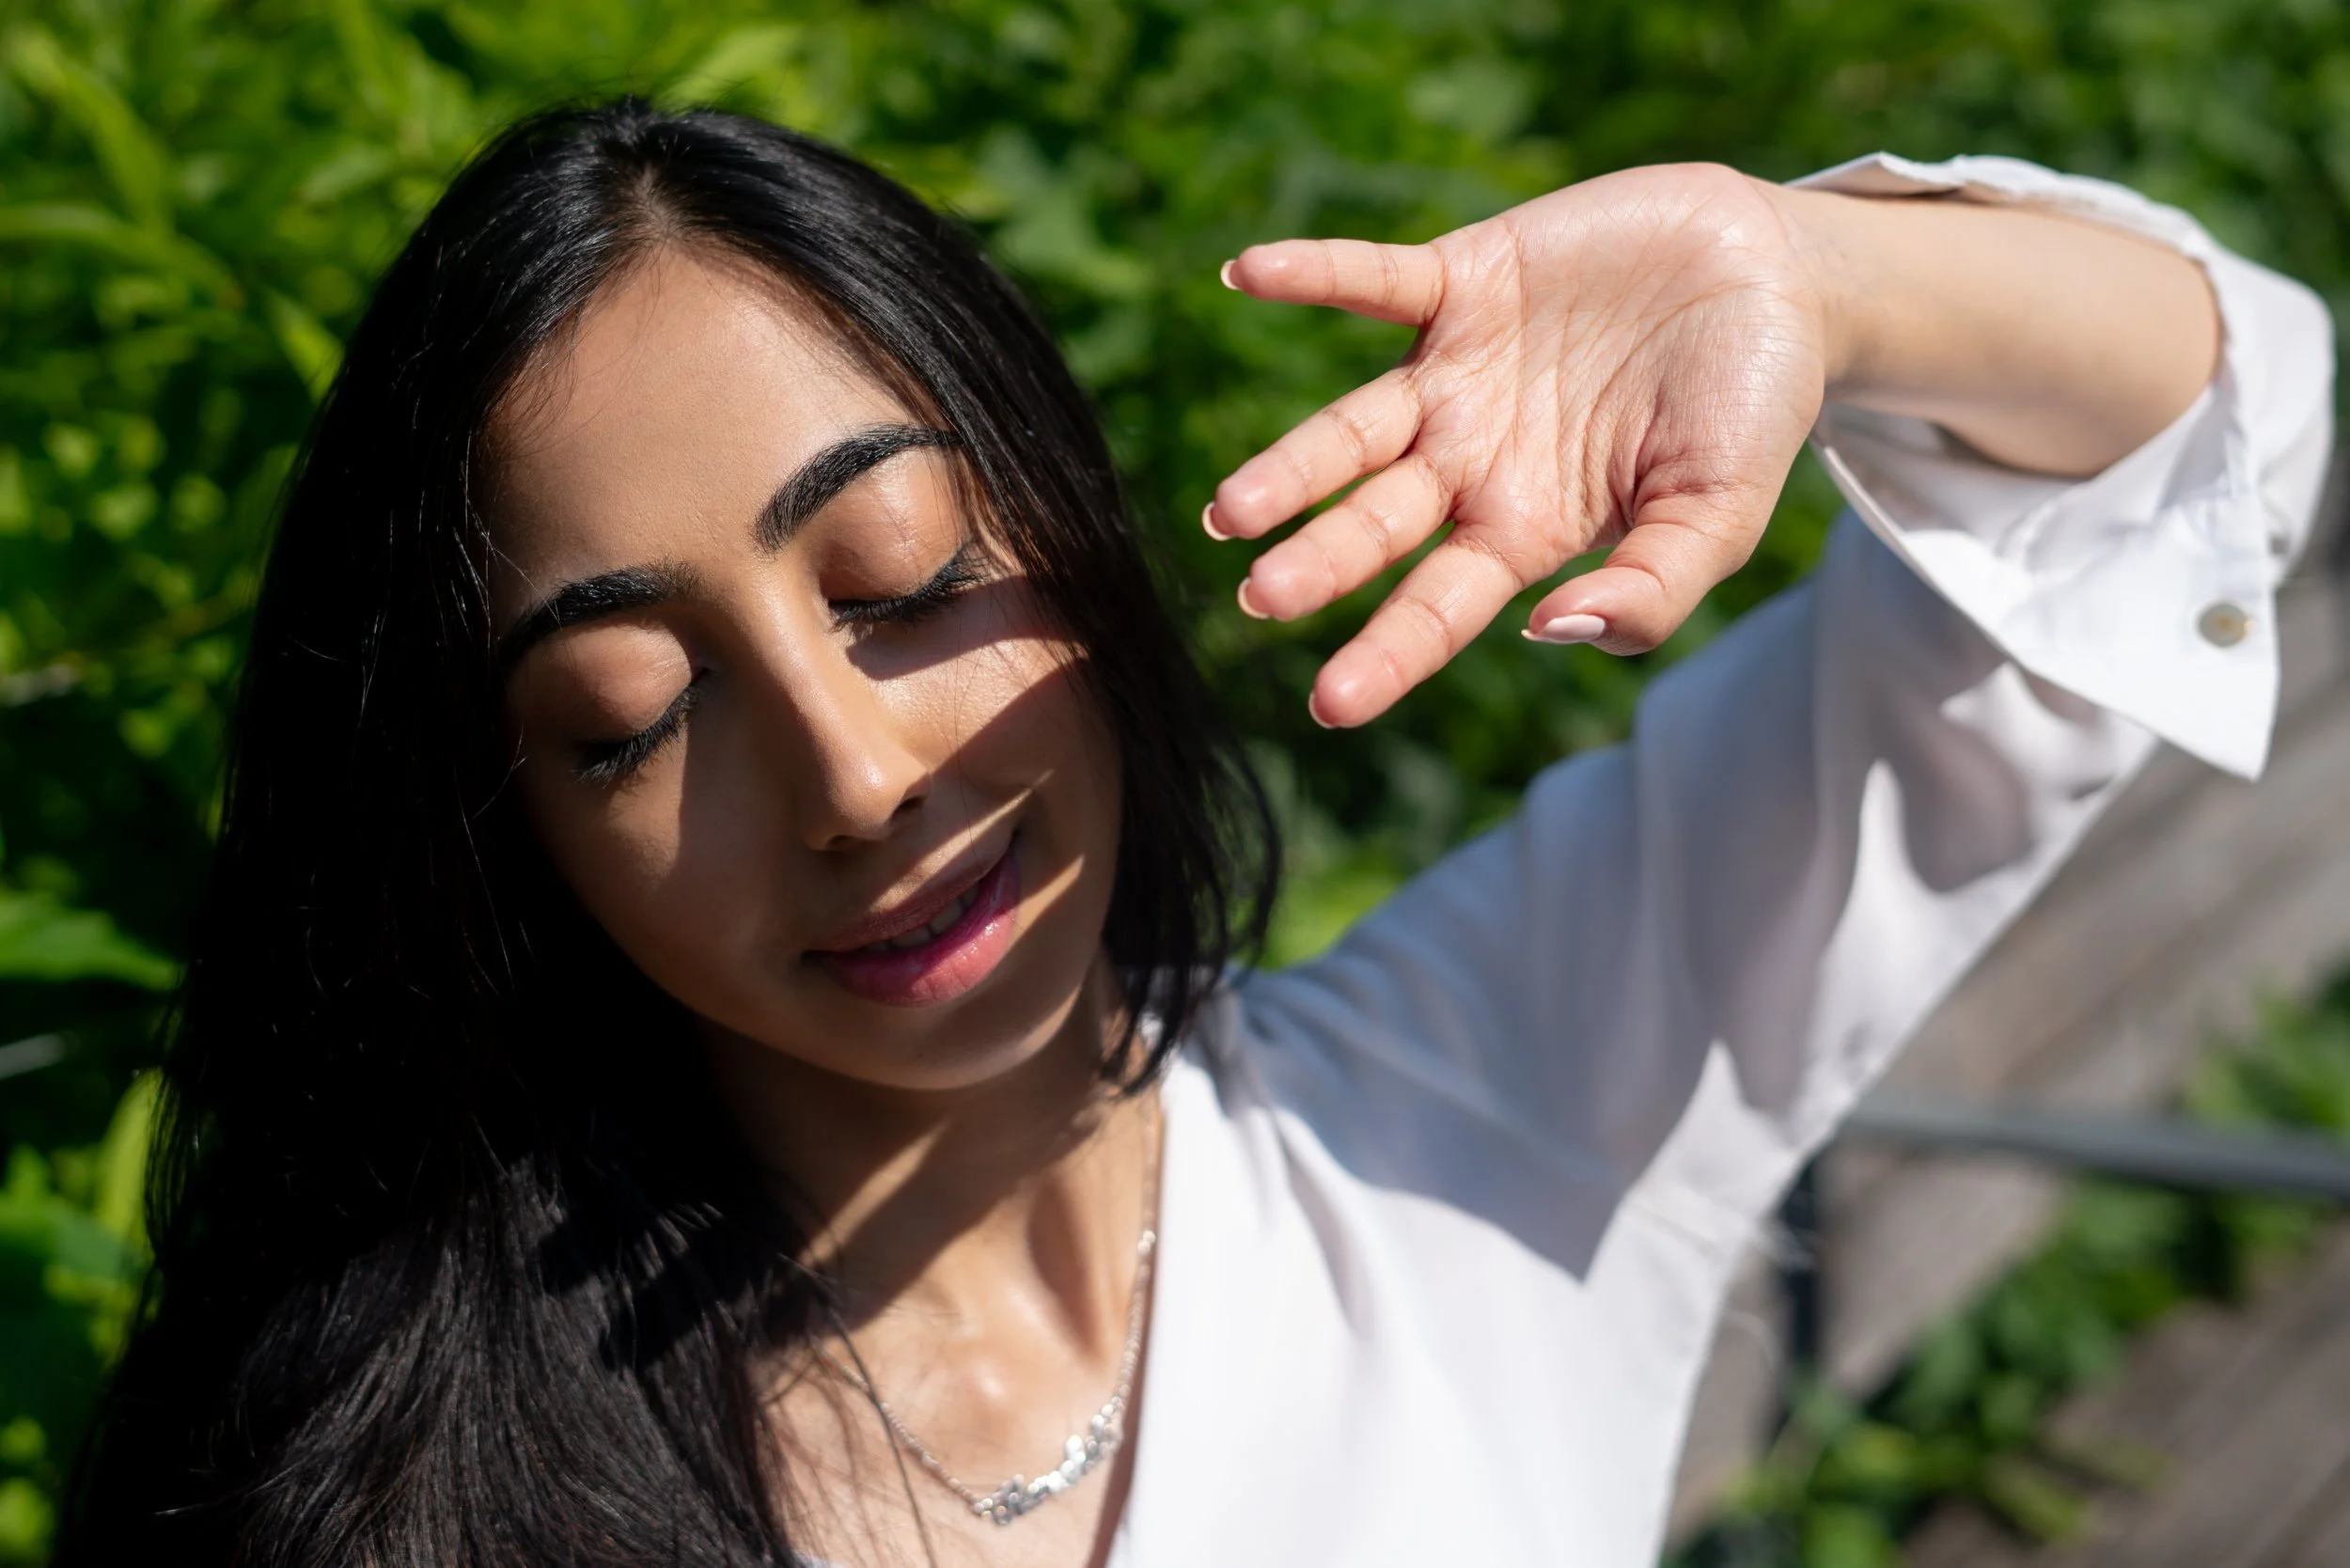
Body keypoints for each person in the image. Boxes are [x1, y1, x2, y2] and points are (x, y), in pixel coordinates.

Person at [58, 101, 2328, 1568]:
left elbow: (2214, 430)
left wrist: (1816, 283)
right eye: (637, 717)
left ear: (1074, 521)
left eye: (910, 579)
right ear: (497, 840)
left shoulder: (1479, 1110)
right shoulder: (390, 1495)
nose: (857, 778)